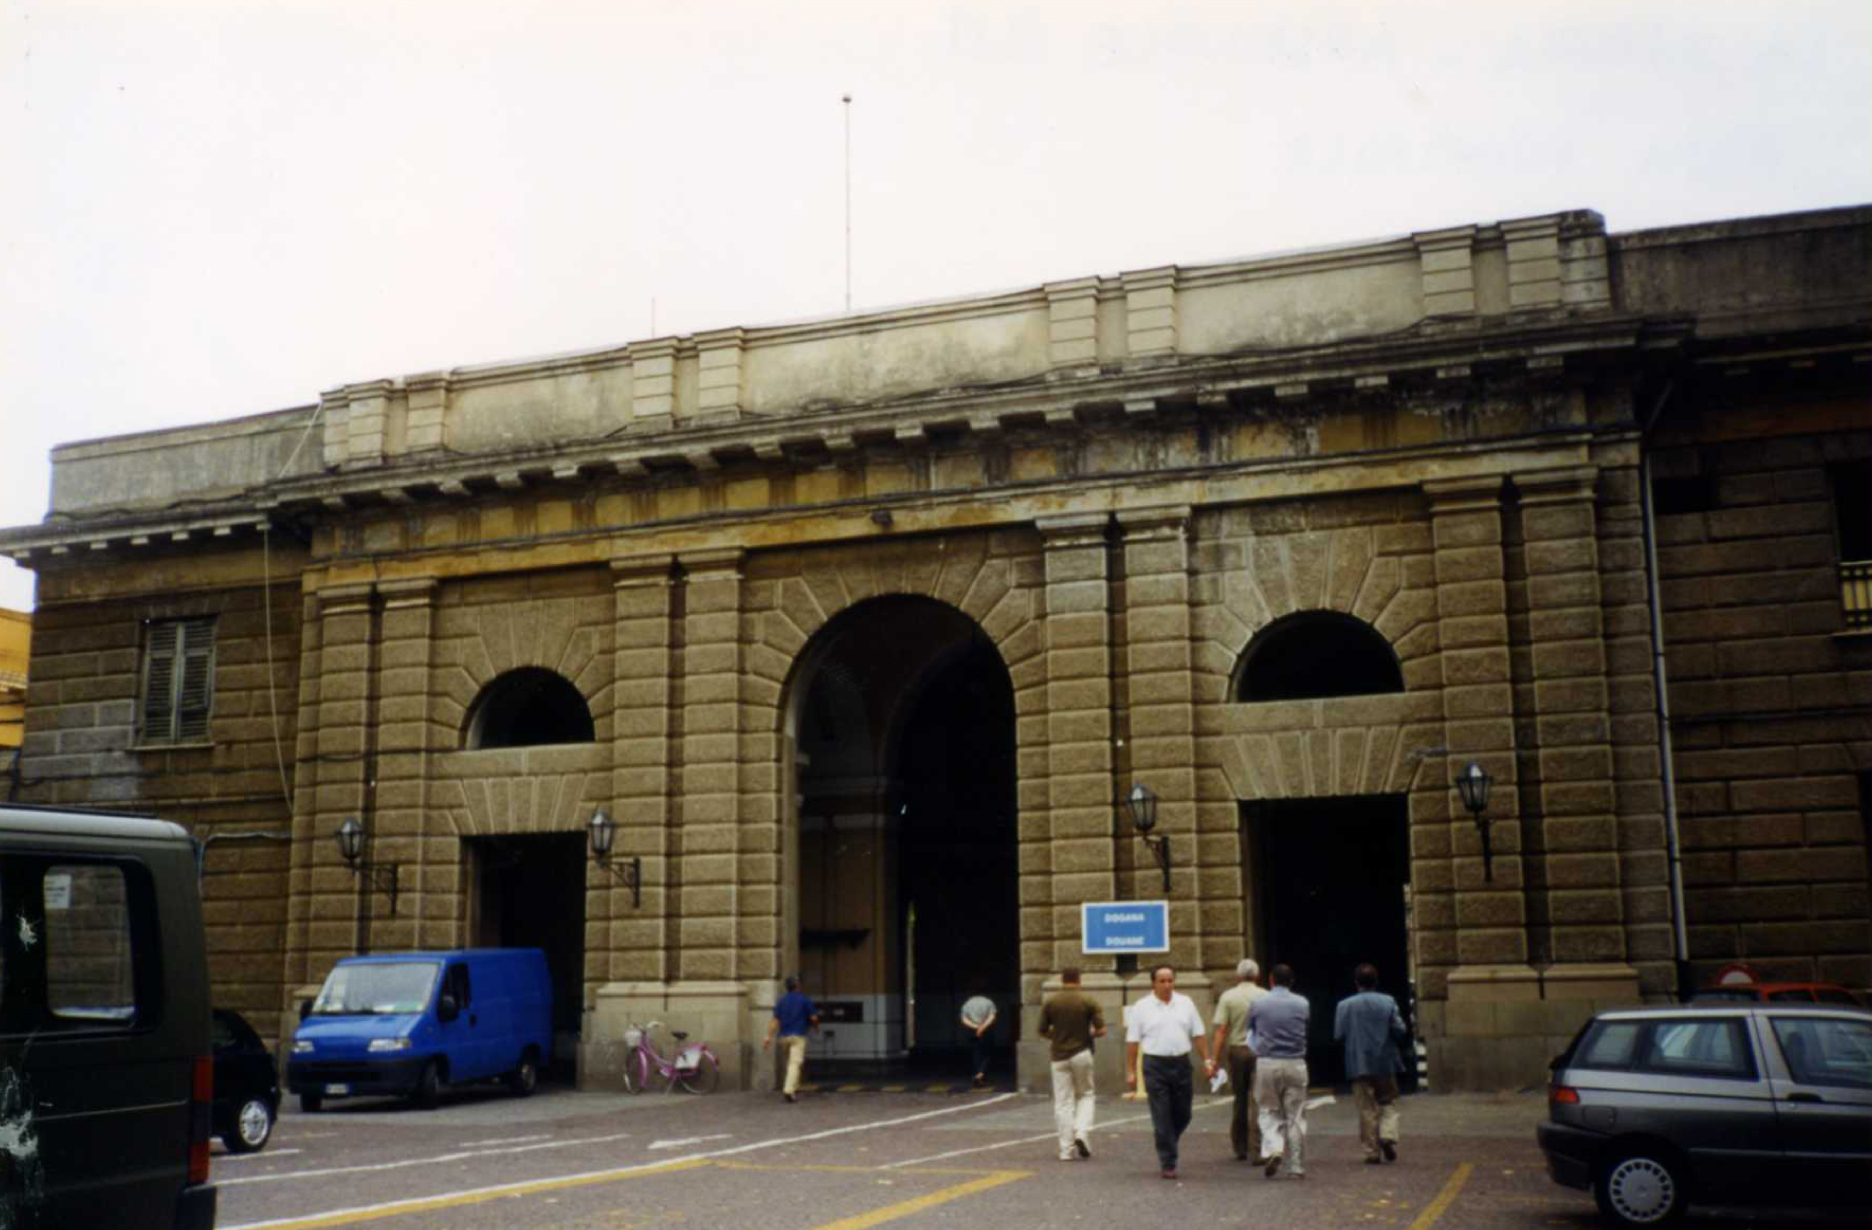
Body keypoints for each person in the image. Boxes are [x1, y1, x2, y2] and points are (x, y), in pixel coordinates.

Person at [1124, 963, 1212, 1180]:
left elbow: (1198, 1034)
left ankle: (1167, 1140)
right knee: (1161, 1115)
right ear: (1153, 983)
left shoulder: (1186, 1003)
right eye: (1162, 981)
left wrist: (1207, 1060)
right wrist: (1131, 1071)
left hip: (1181, 1064)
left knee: (1184, 1114)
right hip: (1155, 1066)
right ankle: (1168, 1162)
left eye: (1170, 980)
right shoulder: (1141, 1007)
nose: (1167, 985)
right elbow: (1133, 1041)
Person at [1334, 962, 1408, 1164]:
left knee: (1366, 1108)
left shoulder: (1345, 1005)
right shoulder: (1388, 1001)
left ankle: (1372, 1151)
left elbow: (1338, 1034)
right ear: (1376, 981)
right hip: (1385, 1061)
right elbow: (1400, 1029)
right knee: (1388, 1102)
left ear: (1356, 982)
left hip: (1358, 1063)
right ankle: (1388, 1136)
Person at [1248, 963, 1310, 1179]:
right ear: (1292, 981)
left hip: (1267, 1062)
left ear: (1271, 980)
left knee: (1268, 1110)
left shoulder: (1258, 1003)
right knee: (1295, 1116)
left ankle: (1274, 1148)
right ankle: (1296, 1166)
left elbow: (1252, 1031)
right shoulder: (1302, 1003)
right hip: (1295, 1062)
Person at [1038, 967, 1106, 1162]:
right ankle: (1081, 1133)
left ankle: (1065, 1150)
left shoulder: (1051, 1002)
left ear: (1062, 979)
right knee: (1086, 1094)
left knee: (1063, 1103)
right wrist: (1089, 1034)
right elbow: (1101, 1030)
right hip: (1082, 1053)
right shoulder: (1088, 1001)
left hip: (1058, 1056)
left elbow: (1041, 1030)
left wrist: (1056, 1036)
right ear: (1079, 979)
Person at [1204, 957, 1266, 1164]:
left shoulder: (1228, 997)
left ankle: (1240, 1146)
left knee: (1239, 1099)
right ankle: (1258, 1145)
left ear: (1238, 975)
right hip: (1259, 1051)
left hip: (1238, 1051)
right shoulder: (1265, 996)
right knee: (1258, 1099)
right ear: (1257, 975)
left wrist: (1214, 1058)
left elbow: (1221, 1030)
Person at [762, 975, 819, 1103]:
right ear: (798, 986)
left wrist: (768, 1037)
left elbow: (775, 1021)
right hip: (798, 1036)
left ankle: (794, 1088)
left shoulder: (781, 1001)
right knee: (795, 1063)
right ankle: (789, 1090)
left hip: (783, 1037)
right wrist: (815, 1027)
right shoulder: (804, 1000)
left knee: (791, 1063)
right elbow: (814, 1018)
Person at [960, 987, 998, 1088]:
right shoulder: (989, 1002)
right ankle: (981, 1073)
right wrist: (982, 1027)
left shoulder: (967, 1003)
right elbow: (992, 1017)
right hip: (987, 1031)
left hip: (972, 1031)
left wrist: (975, 1027)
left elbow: (964, 1019)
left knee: (975, 1053)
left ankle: (977, 1074)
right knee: (987, 1053)